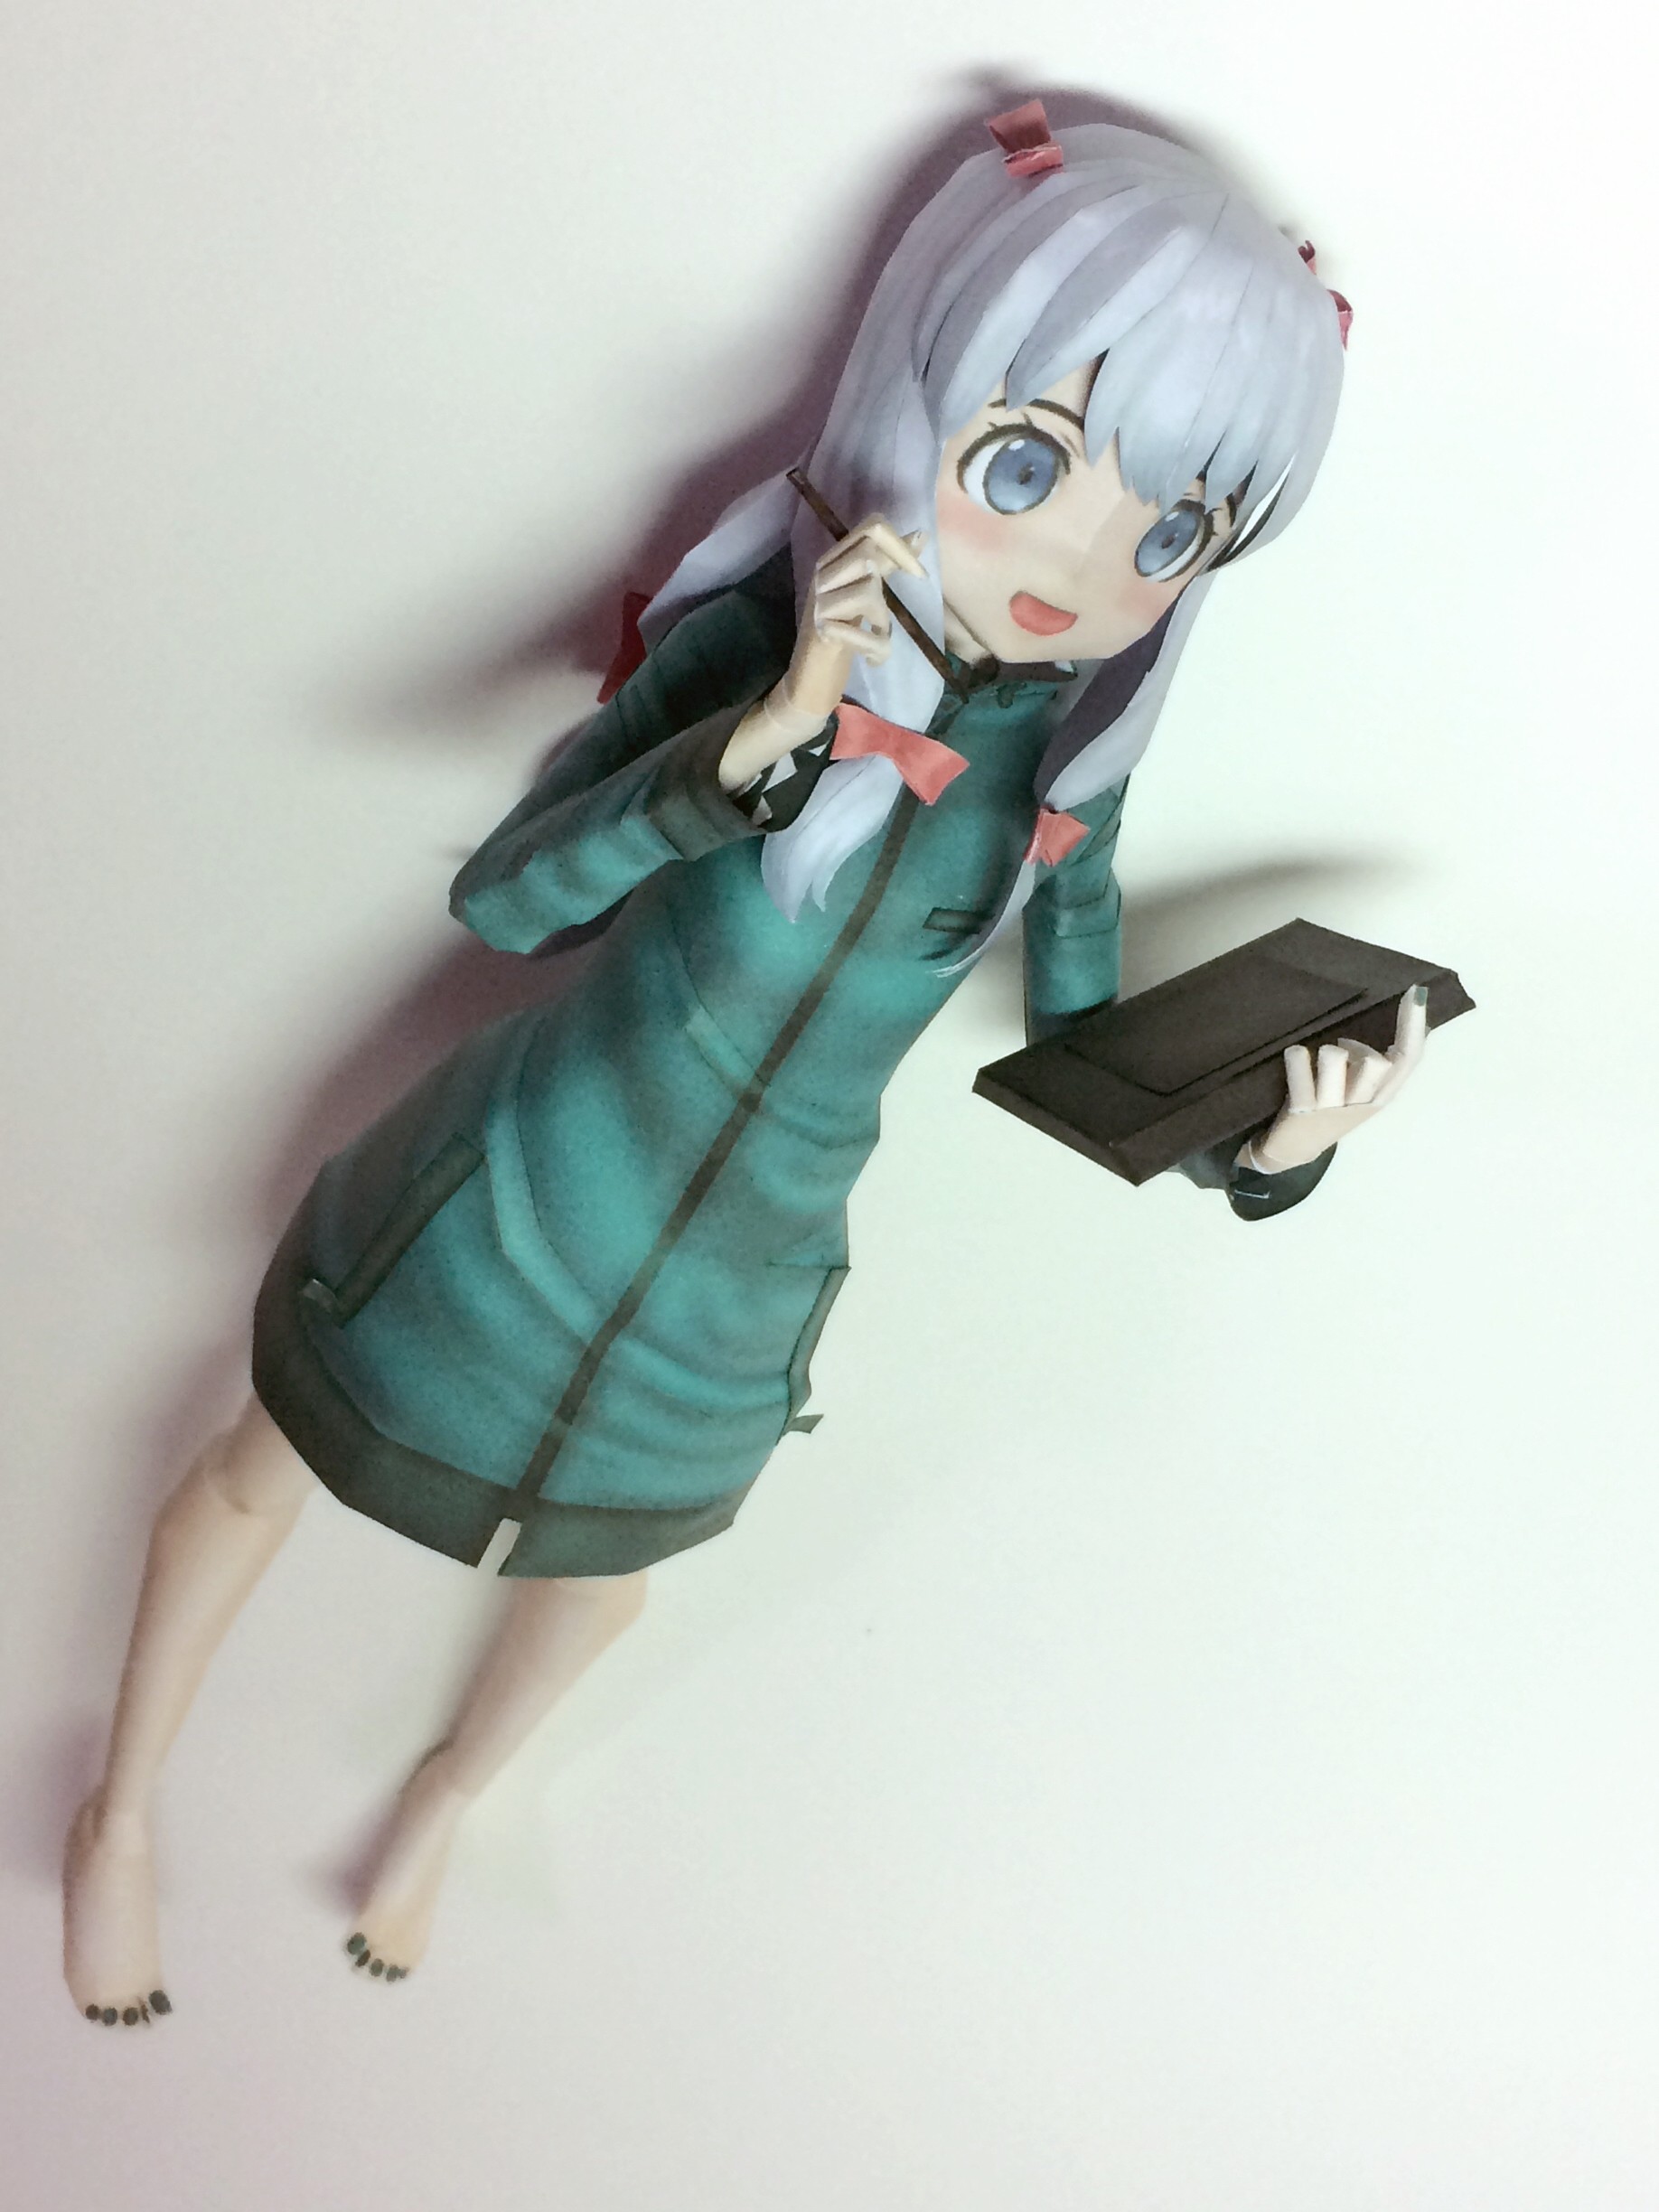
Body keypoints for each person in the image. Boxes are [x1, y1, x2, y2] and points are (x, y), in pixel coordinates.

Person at [63, 105, 1423, 2025]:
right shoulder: (763, 651)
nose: (1076, 563)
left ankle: (449, 1798)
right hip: (515, 1200)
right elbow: (510, 897)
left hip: (737, 1293)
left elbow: (1084, 1056)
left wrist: (1268, 1147)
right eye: (1027, 464)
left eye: (1170, 528)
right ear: (921, 391)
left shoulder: (1065, 785)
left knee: (604, 1585)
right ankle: (120, 1812)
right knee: (259, 1465)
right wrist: (751, 749)